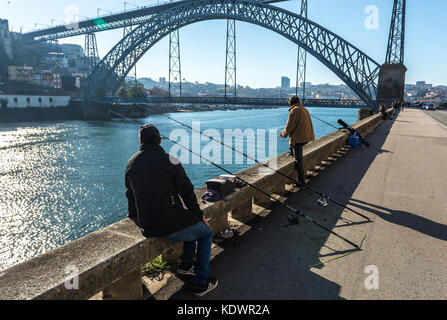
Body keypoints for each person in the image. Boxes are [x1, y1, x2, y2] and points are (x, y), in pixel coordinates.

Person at [125, 124, 218, 297]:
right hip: (169, 225)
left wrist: (135, 218)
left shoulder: (131, 164)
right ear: (160, 140)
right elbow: (187, 191)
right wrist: (200, 215)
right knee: (205, 232)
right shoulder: (170, 159)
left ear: (140, 141)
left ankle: (186, 265)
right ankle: (201, 283)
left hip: (148, 226)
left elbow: (131, 196)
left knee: (188, 219)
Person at [280, 96, 315, 185]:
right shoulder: (304, 109)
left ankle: (301, 181)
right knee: (295, 152)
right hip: (306, 136)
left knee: (298, 160)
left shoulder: (294, 111)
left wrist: (283, 134)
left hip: (299, 138)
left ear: (290, 103)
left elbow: (289, 127)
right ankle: (291, 151)